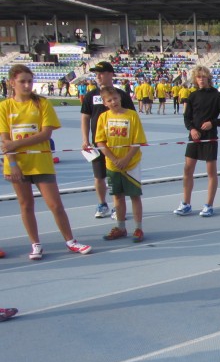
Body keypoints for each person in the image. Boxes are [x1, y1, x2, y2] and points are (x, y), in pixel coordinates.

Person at [1, 64, 92, 259]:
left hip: (41, 162)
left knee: (55, 204)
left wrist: (16, 144)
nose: (27, 85)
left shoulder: (42, 103)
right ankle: (35, 244)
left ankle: (71, 241)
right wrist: (13, 163)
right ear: (12, 83)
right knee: (26, 205)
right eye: (22, 81)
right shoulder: (4, 107)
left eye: (30, 81)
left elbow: (45, 134)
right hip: (17, 165)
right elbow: (5, 141)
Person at [174, 66, 220, 217]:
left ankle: (209, 205)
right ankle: (186, 203)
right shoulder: (192, 96)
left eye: (203, 77)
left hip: (210, 137)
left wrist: (212, 123)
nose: (201, 79)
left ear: (208, 78)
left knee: (211, 172)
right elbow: (187, 117)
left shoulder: (217, 96)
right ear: (195, 79)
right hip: (194, 137)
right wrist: (191, 129)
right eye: (198, 77)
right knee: (188, 170)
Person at [80, 61, 136, 219]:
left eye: (101, 73)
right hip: (99, 143)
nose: (98, 76)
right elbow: (85, 118)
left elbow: (131, 117)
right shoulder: (91, 95)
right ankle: (102, 204)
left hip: (118, 143)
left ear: (111, 74)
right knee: (99, 176)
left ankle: (118, 207)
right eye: (96, 74)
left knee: (117, 175)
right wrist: (85, 139)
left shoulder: (121, 95)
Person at [95, 86, 147, 243]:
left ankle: (138, 228)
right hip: (113, 165)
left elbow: (138, 140)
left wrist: (126, 159)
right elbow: (100, 141)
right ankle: (121, 227)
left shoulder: (132, 115)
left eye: (115, 98)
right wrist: (113, 159)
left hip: (131, 164)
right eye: (109, 100)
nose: (113, 102)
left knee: (134, 196)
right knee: (117, 196)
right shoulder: (103, 117)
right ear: (105, 103)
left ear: (120, 98)